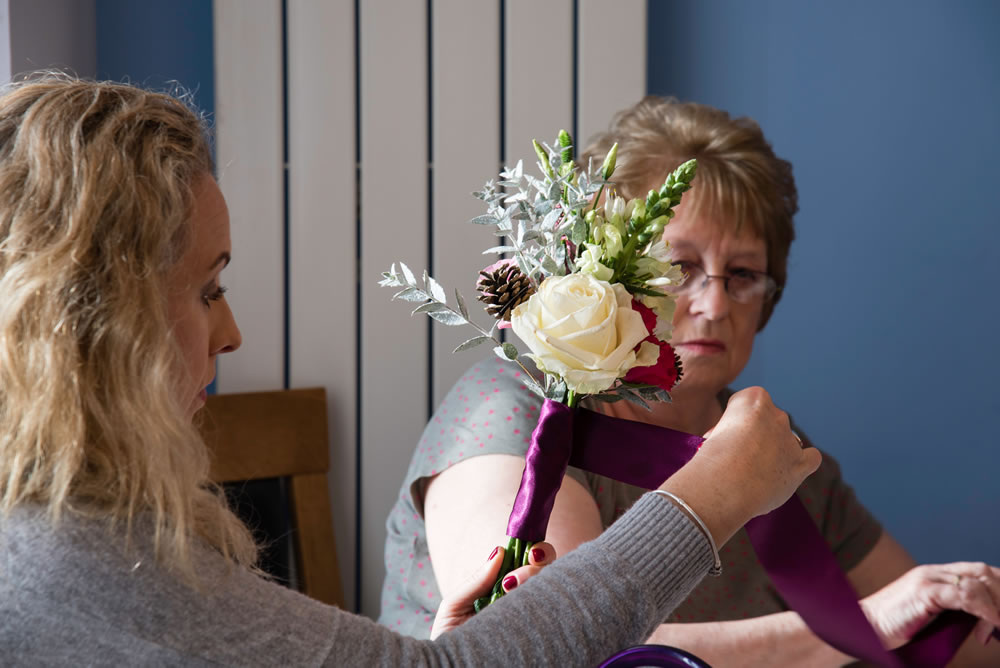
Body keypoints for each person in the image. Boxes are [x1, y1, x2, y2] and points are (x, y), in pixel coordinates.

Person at [0, 76, 831, 666]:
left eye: (743, 273)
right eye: (208, 287)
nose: (232, 331)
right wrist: (714, 496)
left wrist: (452, 647)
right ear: (97, 316)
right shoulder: (78, 561)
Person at [380, 96, 1000, 664]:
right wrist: (856, 628)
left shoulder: (773, 448)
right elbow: (555, 645)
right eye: (679, 267)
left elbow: (942, 632)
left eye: (743, 274)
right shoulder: (514, 417)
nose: (715, 304)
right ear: (607, 273)